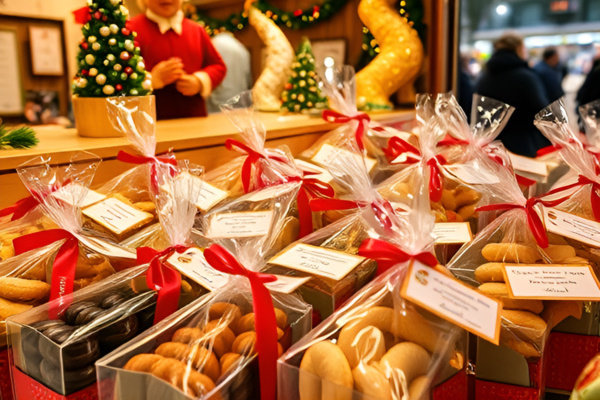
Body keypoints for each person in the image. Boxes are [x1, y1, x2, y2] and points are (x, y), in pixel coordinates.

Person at [131, 0, 227, 119]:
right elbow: (119, 76)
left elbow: (218, 66)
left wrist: (199, 81)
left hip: (194, 119)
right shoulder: (131, 29)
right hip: (149, 121)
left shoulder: (196, 30)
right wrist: (151, 80)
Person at [476, 32, 551, 157]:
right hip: (523, 146)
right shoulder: (526, 77)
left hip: (490, 147)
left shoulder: (484, 77)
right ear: (519, 48)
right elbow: (542, 111)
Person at [206, 32, 252, 113]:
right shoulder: (242, 49)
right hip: (239, 99)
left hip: (216, 102)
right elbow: (248, 77)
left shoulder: (213, 45)